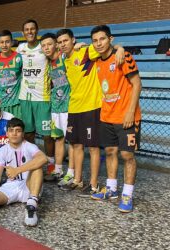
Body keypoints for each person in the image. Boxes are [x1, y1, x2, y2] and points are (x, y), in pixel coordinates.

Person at [56, 28, 124, 197]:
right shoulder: (65, 59)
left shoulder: (86, 51)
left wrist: (120, 48)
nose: (62, 44)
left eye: (65, 40)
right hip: (74, 107)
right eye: (60, 42)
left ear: (73, 40)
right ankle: (78, 180)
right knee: (76, 145)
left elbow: (107, 47)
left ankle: (93, 184)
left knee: (93, 148)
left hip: (91, 107)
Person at [90, 25, 142, 213]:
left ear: (110, 39)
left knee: (127, 155)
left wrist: (130, 112)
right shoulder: (96, 62)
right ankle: (111, 189)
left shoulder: (123, 56)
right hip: (107, 116)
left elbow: (137, 84)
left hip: (126, 116)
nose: (98, 43)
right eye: (95, 40)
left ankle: (127, 194)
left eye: (102, 39)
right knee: (110, 152)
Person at [16, 19, 55, 172]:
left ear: (37, 30)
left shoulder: (44, 47)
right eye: (27, 29)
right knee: (29, 134)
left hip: (43, 98)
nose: (30, 32)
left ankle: (51, 168)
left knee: (47, 136)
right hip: (25, 97)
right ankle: (32, 165)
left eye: (32, 29)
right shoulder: (20, 48)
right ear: (23, 33)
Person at [40, 33, 74, 185]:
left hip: (69, 106)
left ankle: (71, 173)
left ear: (56, 44)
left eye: (49, 44)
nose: (46, 48)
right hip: (55, 106)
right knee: (58, 139)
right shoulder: (48, 62)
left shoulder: (64, 57)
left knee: (72, 141)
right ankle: (58, 170)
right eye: (44, 45)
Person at [0, 29, 23, 118]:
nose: (4, 45)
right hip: (2, 103)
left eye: (7, 42)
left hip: (17, 103)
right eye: (2, 42)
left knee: (17, 129)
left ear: (12, 43)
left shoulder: (19, 57)